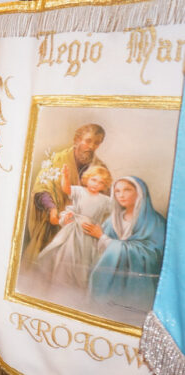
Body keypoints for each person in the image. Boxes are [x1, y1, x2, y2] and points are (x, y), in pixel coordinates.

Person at [25, 124, 106, 263]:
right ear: (77, 139)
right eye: (88, 141)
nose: (91, 147)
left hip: (82, 233)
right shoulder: (57, 159)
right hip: (54, 224)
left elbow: (104, 202)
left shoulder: (100, 168)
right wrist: (52, 209)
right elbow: (42, 187)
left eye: (96, 143)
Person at [85, 176, 166, 312]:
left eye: (127, 190)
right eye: (117, 191)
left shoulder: (155, 222)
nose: (121, 195)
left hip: (137, 286)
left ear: (140, 193)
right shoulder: (112, 220)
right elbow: (97, 249)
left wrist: (104, 238)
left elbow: (154, 255)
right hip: (109, 281)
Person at [35, 165, 113, 289]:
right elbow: (66, 189)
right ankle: (59, 282)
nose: (96, 184)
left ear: (104, 186)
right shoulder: (80, 191)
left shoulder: (105, 200)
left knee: (85, 260)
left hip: (89, 232)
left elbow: (116, 210)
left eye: (101, 183)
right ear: (87, 178)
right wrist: (65, 177)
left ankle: (76, 286)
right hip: (74, 229)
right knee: (67, 255)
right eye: (93, 180)